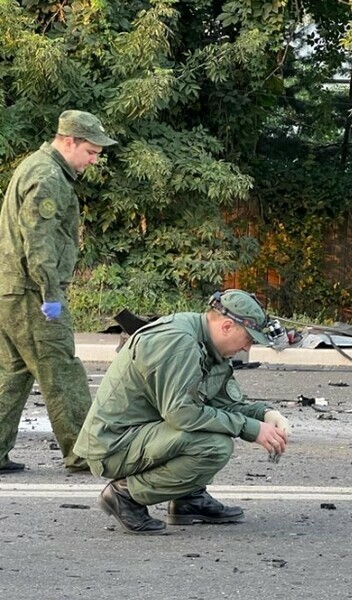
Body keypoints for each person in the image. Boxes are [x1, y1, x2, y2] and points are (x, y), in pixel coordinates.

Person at [74, 289, 292, 534]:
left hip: (142, 434)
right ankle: (125, 495)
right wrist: (250, 429)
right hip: (113, 445)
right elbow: (182, 414)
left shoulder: (210, 345)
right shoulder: (180, 342)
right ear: (227, 326)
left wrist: (265, 415)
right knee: (213, 446)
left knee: (212, 430)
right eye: (249, 339)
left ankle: (188, 499)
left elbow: (222, 403)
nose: (247, 348)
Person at [0, 110, 117, 474]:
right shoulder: (48, 176)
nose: (94, 160)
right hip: (33, 293)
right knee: (61, 371)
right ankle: (85, 453)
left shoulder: (36, 167)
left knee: (13, 373)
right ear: (69, 141)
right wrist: (50, 293)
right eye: (91, 152)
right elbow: (39, 240)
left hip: (12, 290)